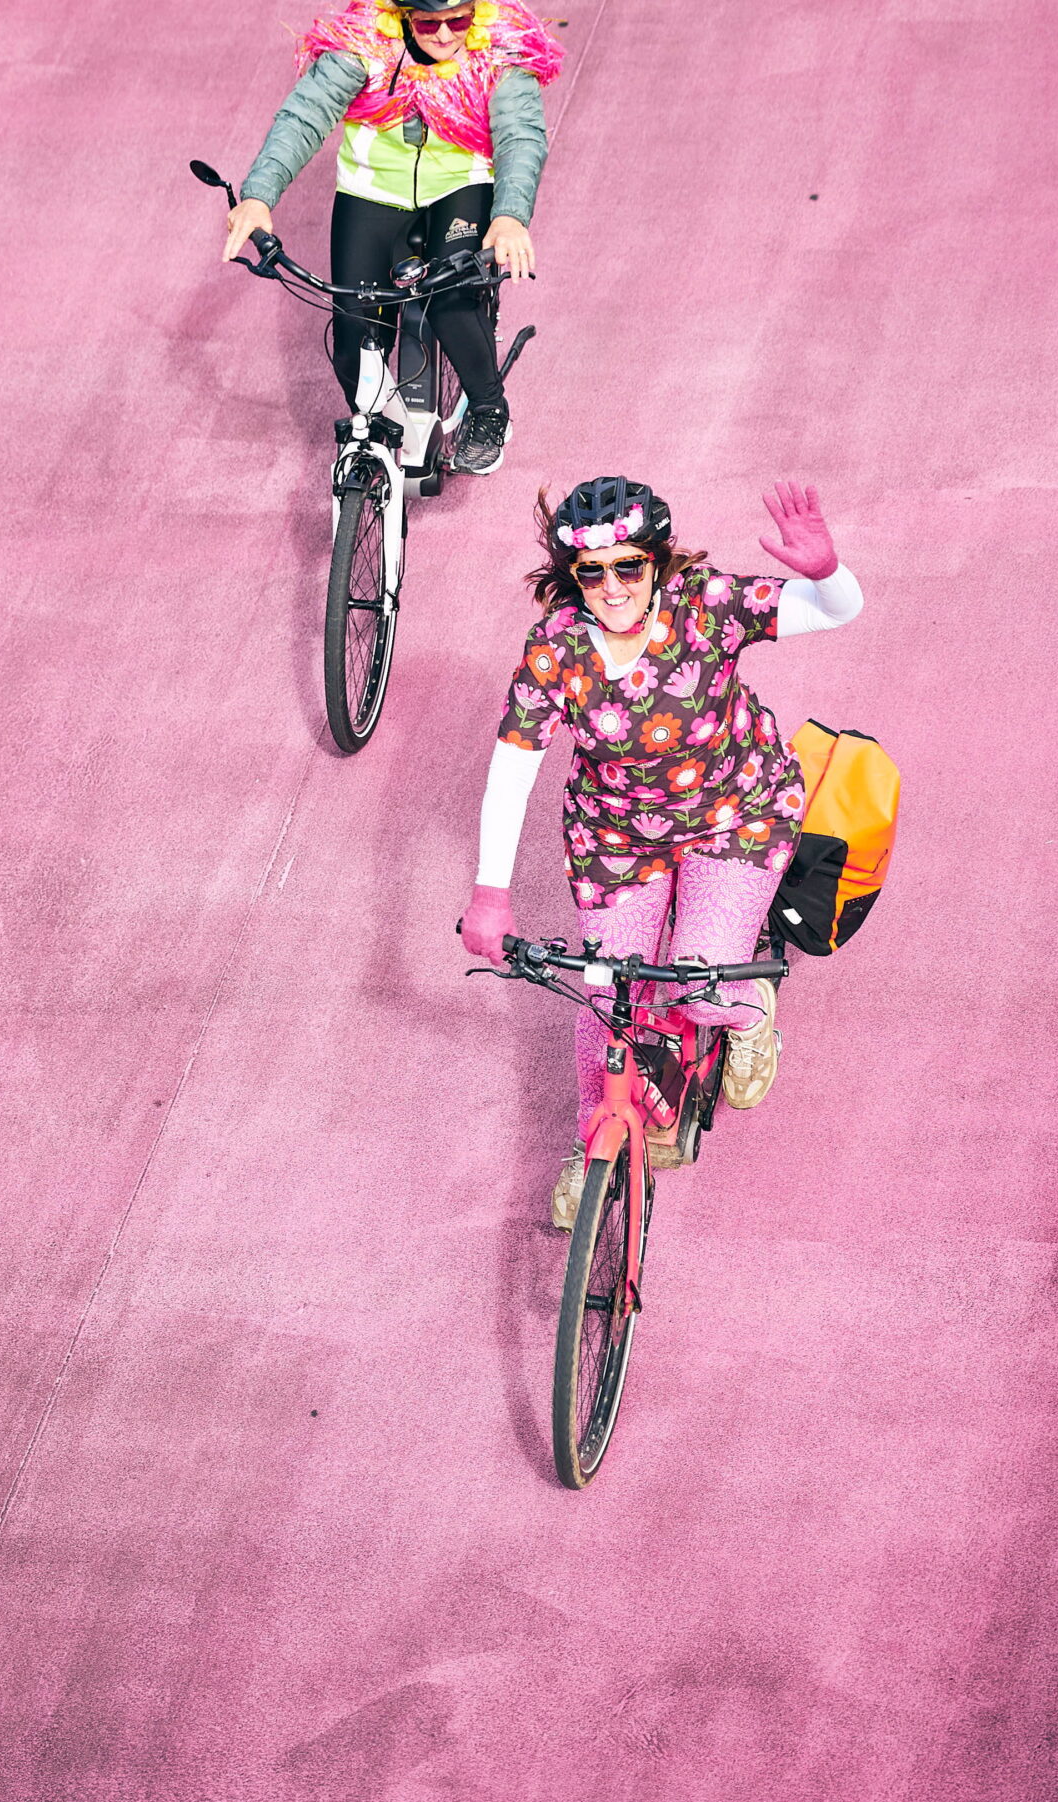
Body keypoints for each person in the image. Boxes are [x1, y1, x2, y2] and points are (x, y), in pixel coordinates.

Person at [459, 477, 864, 1228]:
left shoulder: (705, 606)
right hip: (616, 839)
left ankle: (749, 1019)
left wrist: (825, 572)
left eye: (628, 567)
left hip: (732, 815)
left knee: (697, 987)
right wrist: (491, 892)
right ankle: (595, 1144)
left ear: (655, 561)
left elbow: (839, 611)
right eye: (591, 572)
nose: (610, 587)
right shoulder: (557, 648)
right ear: (570, 575)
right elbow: (512, 767)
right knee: (606, 995)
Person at [222, 0, 564, 476]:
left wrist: (509, 216)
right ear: (403, 16)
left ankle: (489, 410)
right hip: (370, 192)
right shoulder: (362, 44)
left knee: (450, 302)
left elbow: (521, 136)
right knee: (350, 339)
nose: (445, 35)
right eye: (428, 23)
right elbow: (304, 117)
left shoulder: (498, 50)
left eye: (459, 20)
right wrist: (259, 196)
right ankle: (388, 427)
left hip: (458, 186)